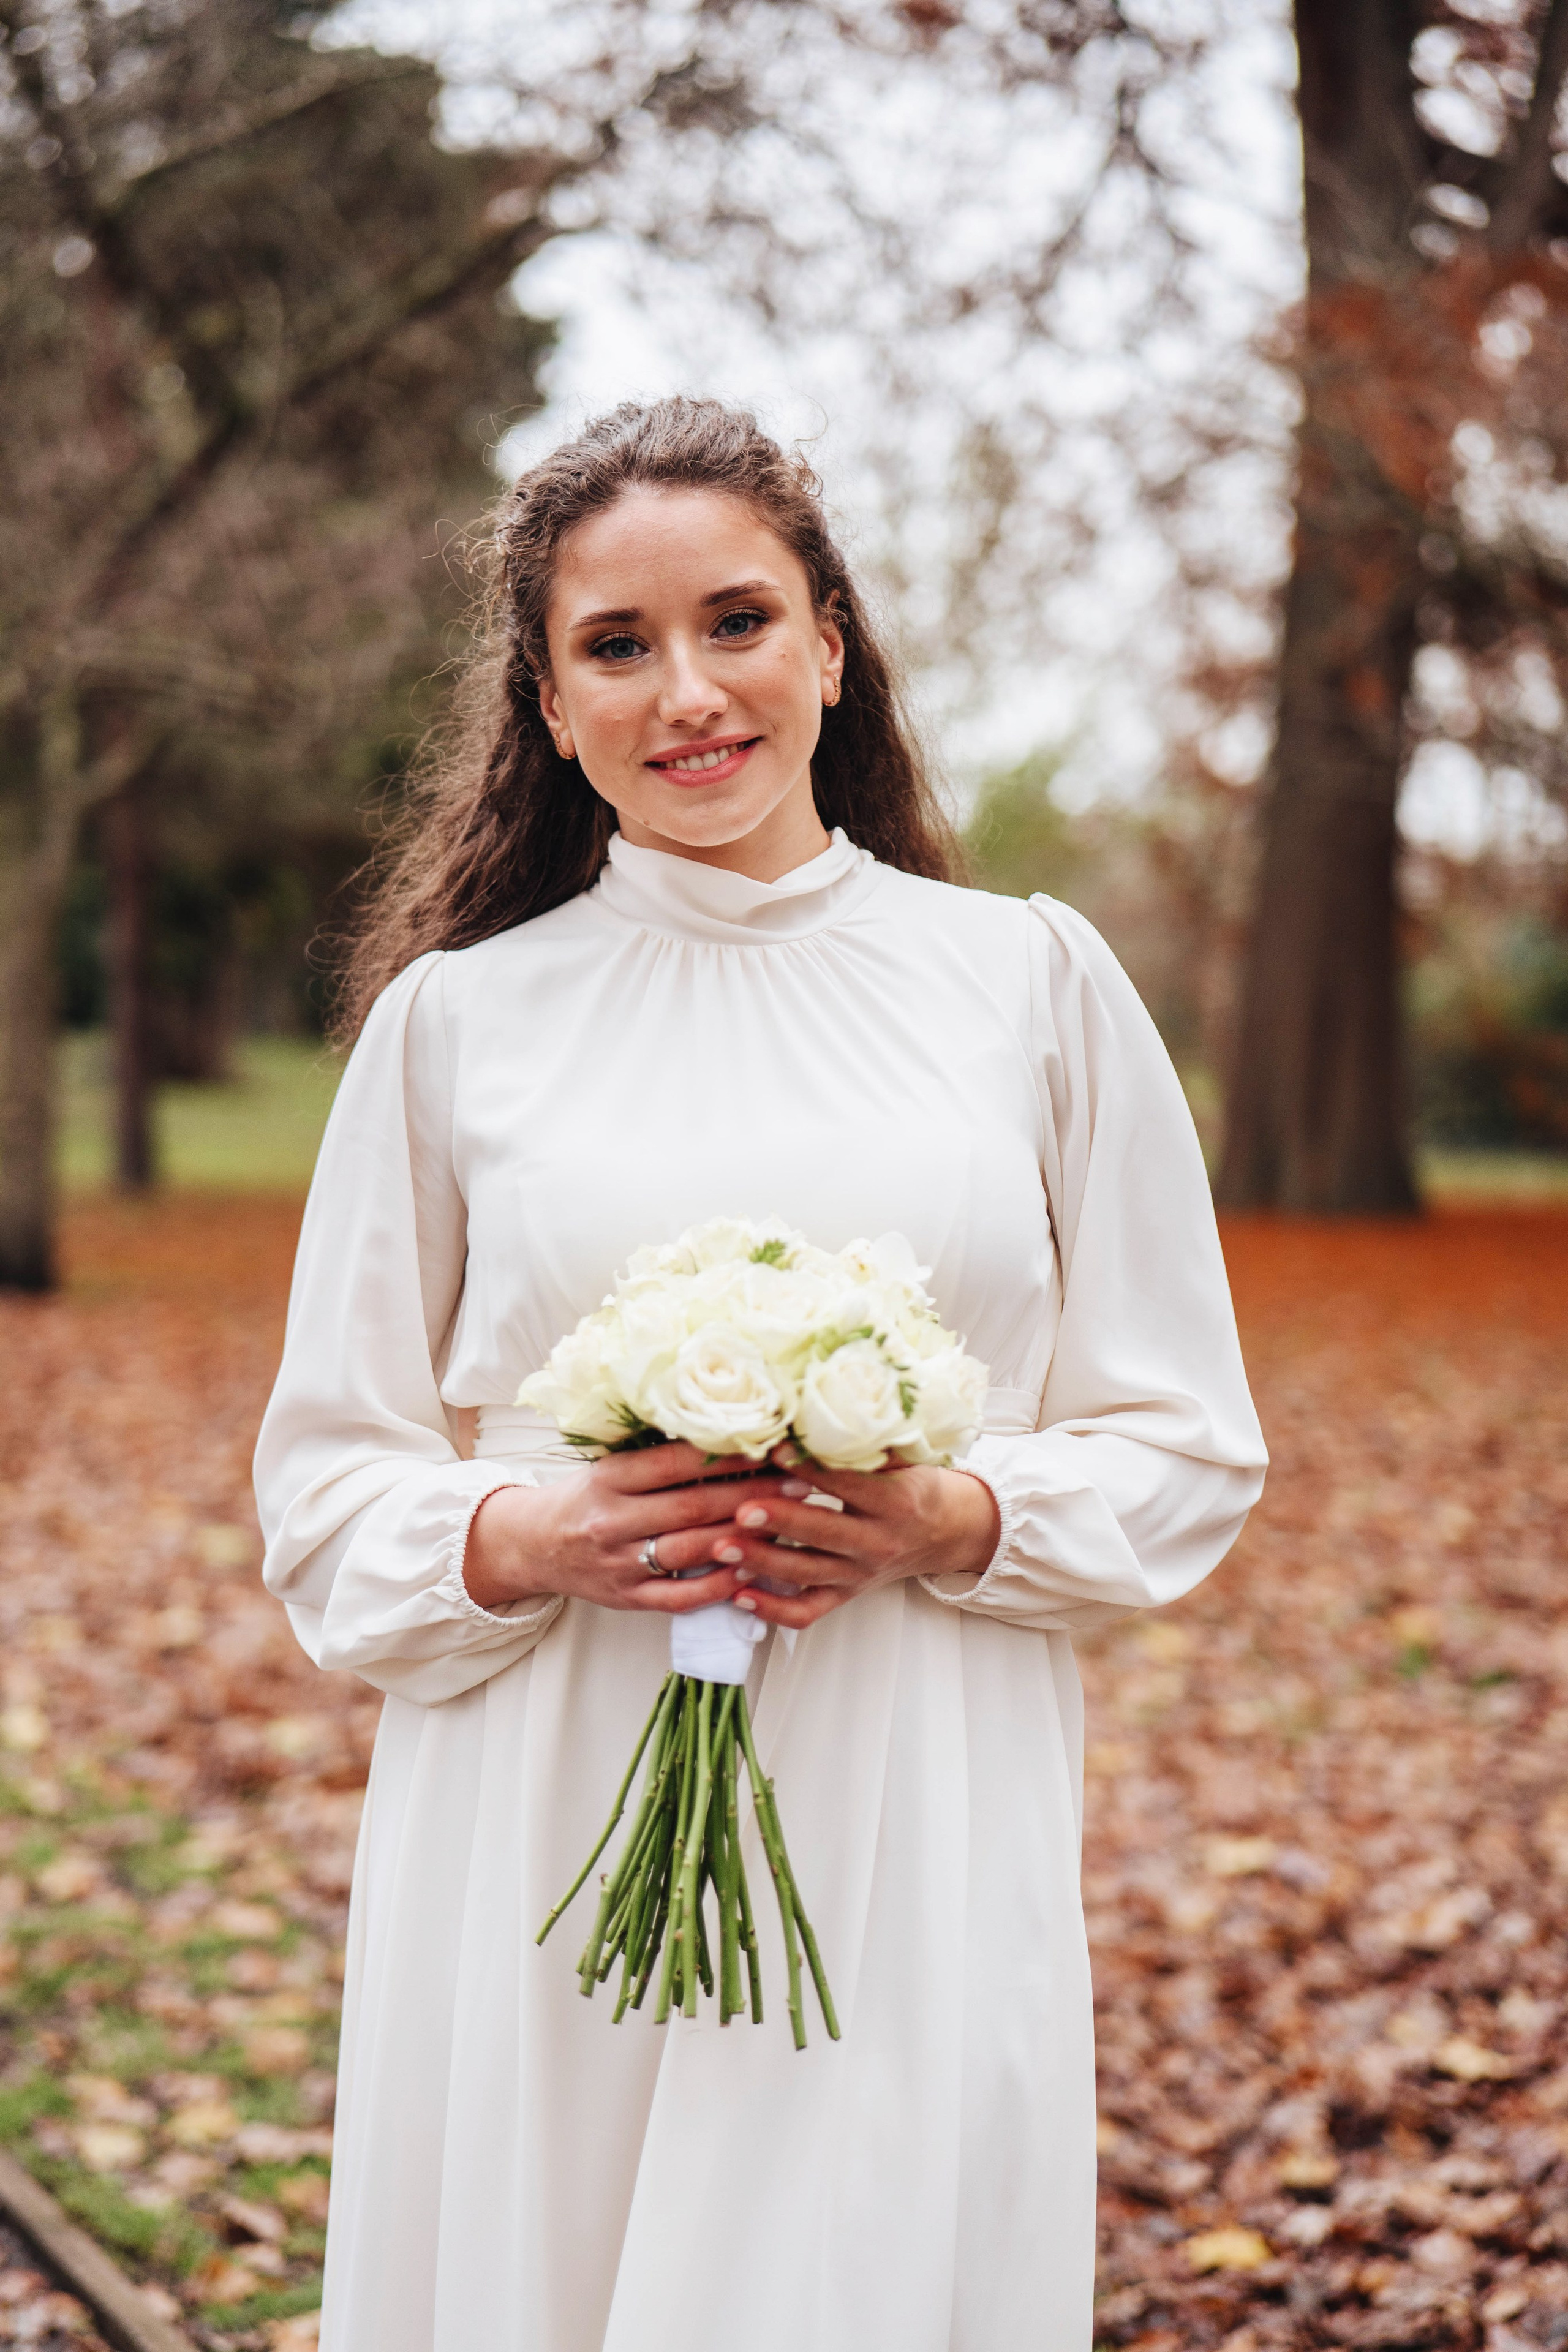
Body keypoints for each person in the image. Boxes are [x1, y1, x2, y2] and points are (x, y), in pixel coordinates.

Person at [254, 395, 1267, 2352]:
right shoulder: (457, 1030)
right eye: (614, 648)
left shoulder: (1032, 985)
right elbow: (326, 1490)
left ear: (829, 642)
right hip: (549, 1791)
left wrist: (957, 1513)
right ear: (549, 708)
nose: (685, 690)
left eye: (735, 621)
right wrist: (531, 1531)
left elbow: (1185, 1441)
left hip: (914, 1769)